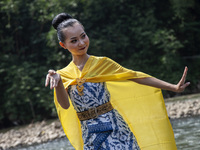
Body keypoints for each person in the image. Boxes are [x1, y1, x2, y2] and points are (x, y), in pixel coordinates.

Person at [45, 13, 190, 150]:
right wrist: (58, 83)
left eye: (83, 36)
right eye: (74, 41)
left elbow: (136, 76)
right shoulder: (63, 75)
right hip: (90, 136)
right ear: (63, 45)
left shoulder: (102, 63)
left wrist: (173, 87)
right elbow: (64, 105)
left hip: (116, 130)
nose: (81, 43)